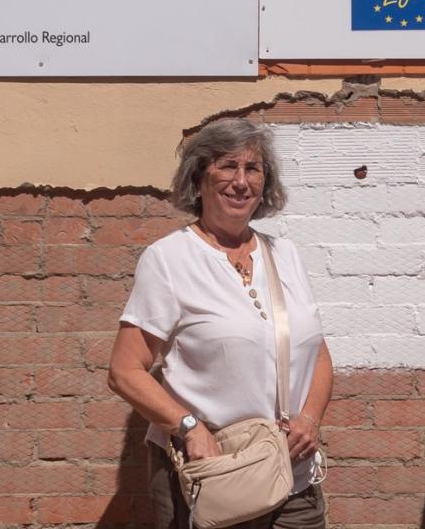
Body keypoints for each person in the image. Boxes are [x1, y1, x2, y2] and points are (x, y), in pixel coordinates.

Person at [108, 118, 332, 529]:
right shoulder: (170, 260)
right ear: (199, 177)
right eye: (228, 166)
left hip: (292, 478)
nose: (241, 181)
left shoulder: (286, 256)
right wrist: (189, 428)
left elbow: (316, 352)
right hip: (214, 476)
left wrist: (311, 418)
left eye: (253, 168)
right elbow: (124, 372)